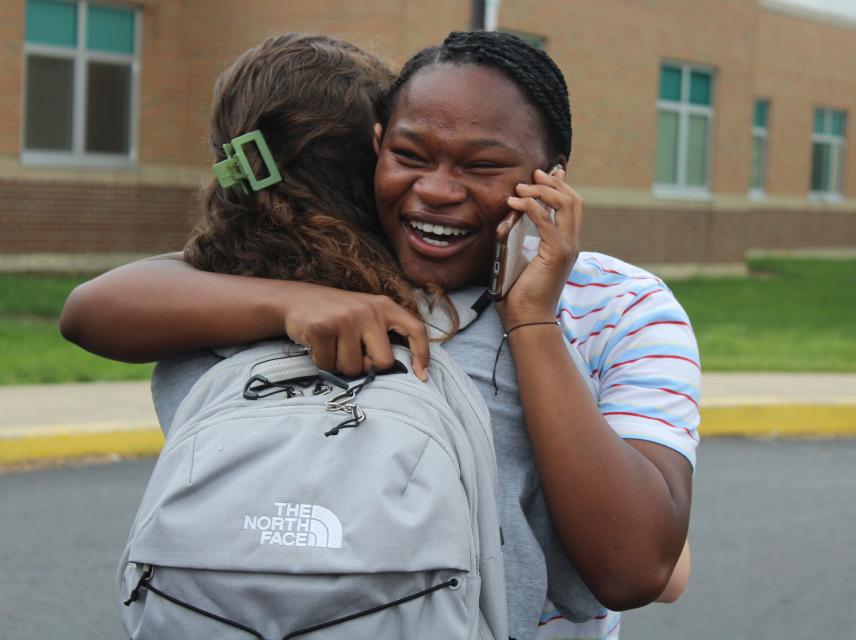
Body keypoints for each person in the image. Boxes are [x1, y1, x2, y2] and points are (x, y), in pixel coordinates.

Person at [61, 30, 699, 640]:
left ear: (552, 178)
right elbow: (91, 308)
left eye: (483, 165)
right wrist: (292, 301)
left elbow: (634, 567)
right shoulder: (320, 272)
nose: (437, 191)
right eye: (410, 156)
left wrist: (530, 317)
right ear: (375, 147)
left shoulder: (624, 308)